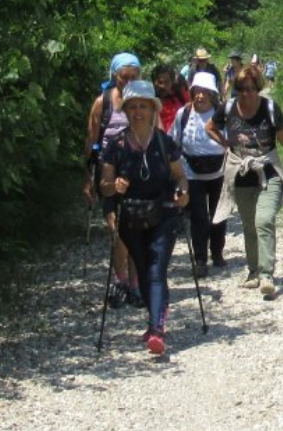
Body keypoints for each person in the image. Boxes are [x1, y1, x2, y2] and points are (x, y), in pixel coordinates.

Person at [100, 79, 188, 356]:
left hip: (164, 215)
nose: (138, 111)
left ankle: (156, 330)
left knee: (155, 269)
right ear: (125, 110)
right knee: (143, 267)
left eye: (143, 106)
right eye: (133, 106)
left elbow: (180, 177)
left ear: (153, 109)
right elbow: (105, 184)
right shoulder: (116, 145)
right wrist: (114, 189)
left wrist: (183, 193)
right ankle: (156, 318)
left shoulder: (165, 143)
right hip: (131, 219)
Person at [211, 61, 283, 300]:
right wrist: (227, 146)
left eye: (251, 88)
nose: (247, 94)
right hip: (242, 172)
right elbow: (210, 127)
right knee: (249, 226)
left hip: (268, 170)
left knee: (263, 219)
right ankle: (254, 271)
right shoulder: (228, 108)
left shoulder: (270, 108)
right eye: (242, 89)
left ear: (258, 88)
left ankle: (267, 275)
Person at [84, 52, 143, 307]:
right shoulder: (102, 102)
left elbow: (157, 134)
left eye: (134, 76)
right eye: (124, 76)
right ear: (114, 76)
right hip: (108, 172)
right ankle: (121, 282)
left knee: (137, 232)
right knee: (117, 231)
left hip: (139, 174)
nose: (128, 81)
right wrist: (88, 178)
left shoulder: (144, 102)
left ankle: (135, 286)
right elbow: (91, 142)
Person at [170, 71, 228, 273]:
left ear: (212, 94)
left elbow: (232, 142)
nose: (200, 96)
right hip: (191, 173)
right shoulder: (183, 114)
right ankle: (200, 259)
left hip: (219, 171)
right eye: (197, 91)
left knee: (218, 214)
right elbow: (174, 142)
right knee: (198, 216)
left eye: (205, 92)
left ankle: (218, 252)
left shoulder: (222, 113)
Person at [151, 62, 187, 133]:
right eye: (160, 82)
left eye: (167, 82)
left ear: (172, 82)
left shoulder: (180, 96)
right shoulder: (149, 101)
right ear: (153, 82)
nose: (163, 86)